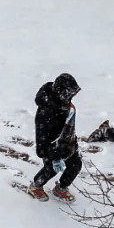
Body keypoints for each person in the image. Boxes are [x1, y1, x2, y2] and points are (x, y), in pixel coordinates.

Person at [29, 73, 82, 202]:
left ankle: (61, 188)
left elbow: (68, 125)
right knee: (51, 169)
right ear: (61, 92)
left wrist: (72, 142)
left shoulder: (65, 104)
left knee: (76, 165)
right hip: (51, 148)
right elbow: (42, 140)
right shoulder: (46, 112)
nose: (71, 97)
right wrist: (54, 156)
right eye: (69, 94)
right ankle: (35, 186)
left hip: (67, 143)